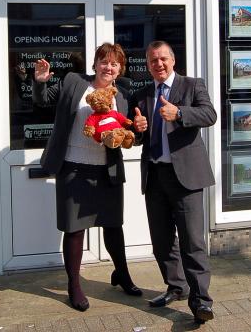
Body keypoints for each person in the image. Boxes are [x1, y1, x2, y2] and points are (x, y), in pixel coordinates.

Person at [33, 42, 142, 312]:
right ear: (95, 64)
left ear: (120, 69)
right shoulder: (74, 82)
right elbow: (42, 100)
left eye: (114, 63)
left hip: (107, 170)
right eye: (104, 61)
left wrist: (139, 130)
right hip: (73, 167)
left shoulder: (125, 91)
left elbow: (132, 133)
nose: (108, 67)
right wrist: (39, 82)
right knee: (74, 229)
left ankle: (122, 274)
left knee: (113, 225)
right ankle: (74, 284)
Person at [131, 40, 217, 324]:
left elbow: (210, 115)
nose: (159, 64)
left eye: (163, 59)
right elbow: (139, 136)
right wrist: (138, 130)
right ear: (148, 64)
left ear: (173, 60)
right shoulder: (143, 93)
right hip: (155, 176)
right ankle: (176, 287)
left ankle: (201, 301)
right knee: (162, 241)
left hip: (186, 178)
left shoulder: (192, 86)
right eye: (153, 60)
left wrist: (179, 113)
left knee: (192, 241)